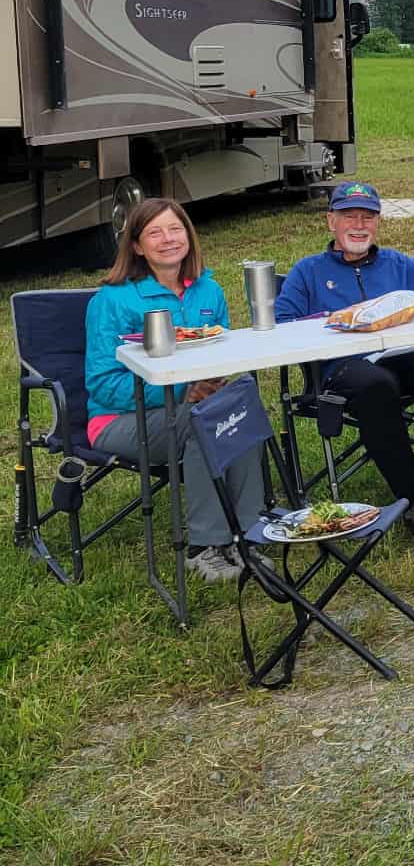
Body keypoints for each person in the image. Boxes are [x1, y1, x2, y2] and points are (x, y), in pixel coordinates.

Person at [274, 181, 414, 542]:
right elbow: (283, 323)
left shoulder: (397, 263)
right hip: (342, 367)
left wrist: (412, 308)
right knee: (376, 386)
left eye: (367, 217)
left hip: (403, 355)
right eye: (349, 216)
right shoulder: (307, 271)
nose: (359, 225)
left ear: (378, 222)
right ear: (330, 222)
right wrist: (333, 322)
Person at [84, 197, 267, 585]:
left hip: (192, 409)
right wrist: (184, 391)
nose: (168, 239)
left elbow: (223, 352)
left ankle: (249, 531)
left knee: (242, 408)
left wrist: (219, 378)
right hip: (117, 420)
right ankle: (205, 544)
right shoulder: (112, 300)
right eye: (154, 232)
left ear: (189, 235)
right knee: (205, 420)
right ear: (136, 245)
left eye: (175, 228)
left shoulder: (208, 291)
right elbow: (102, 383)